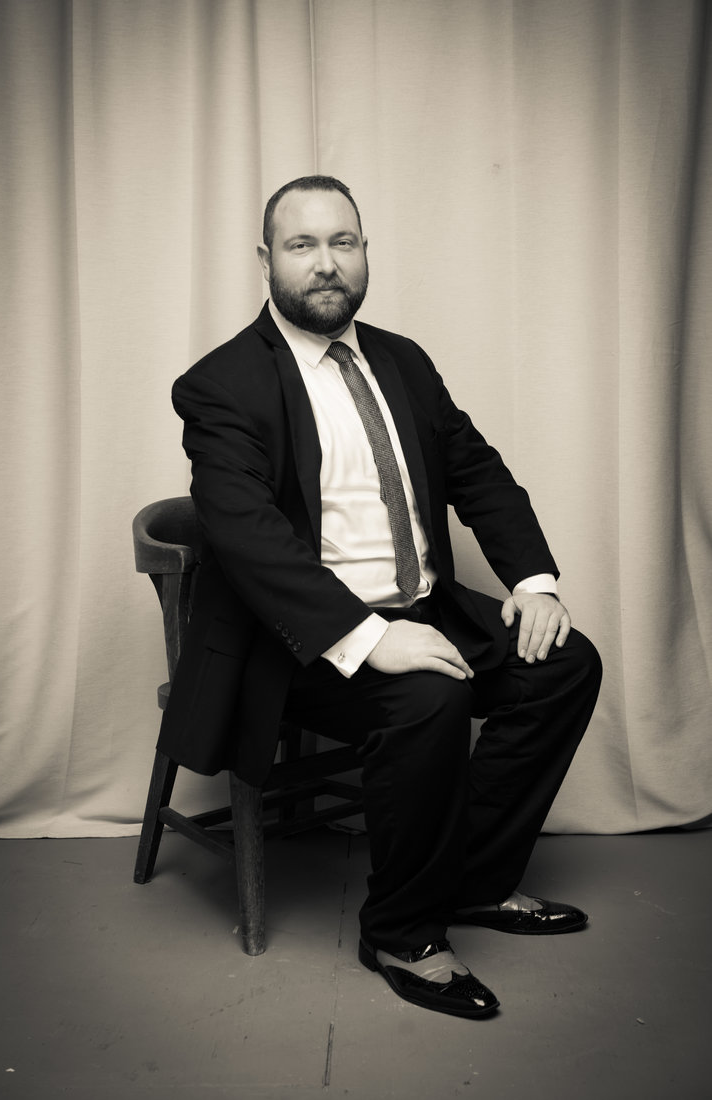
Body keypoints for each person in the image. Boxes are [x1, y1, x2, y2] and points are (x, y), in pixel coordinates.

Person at [158, 175, 602, 1019]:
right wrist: (367, 636)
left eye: (344, 242)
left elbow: (476, 472)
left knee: (564, 666)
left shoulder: (402, 359)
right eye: (303, 245)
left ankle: (469, 883)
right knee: (425, 694)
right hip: (296, 640)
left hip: (423, 604)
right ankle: (402, 934)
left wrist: (534, 581)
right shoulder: (220, 387)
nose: (327, 264)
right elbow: (249, 536)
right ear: (265, 260)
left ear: (364, 250)